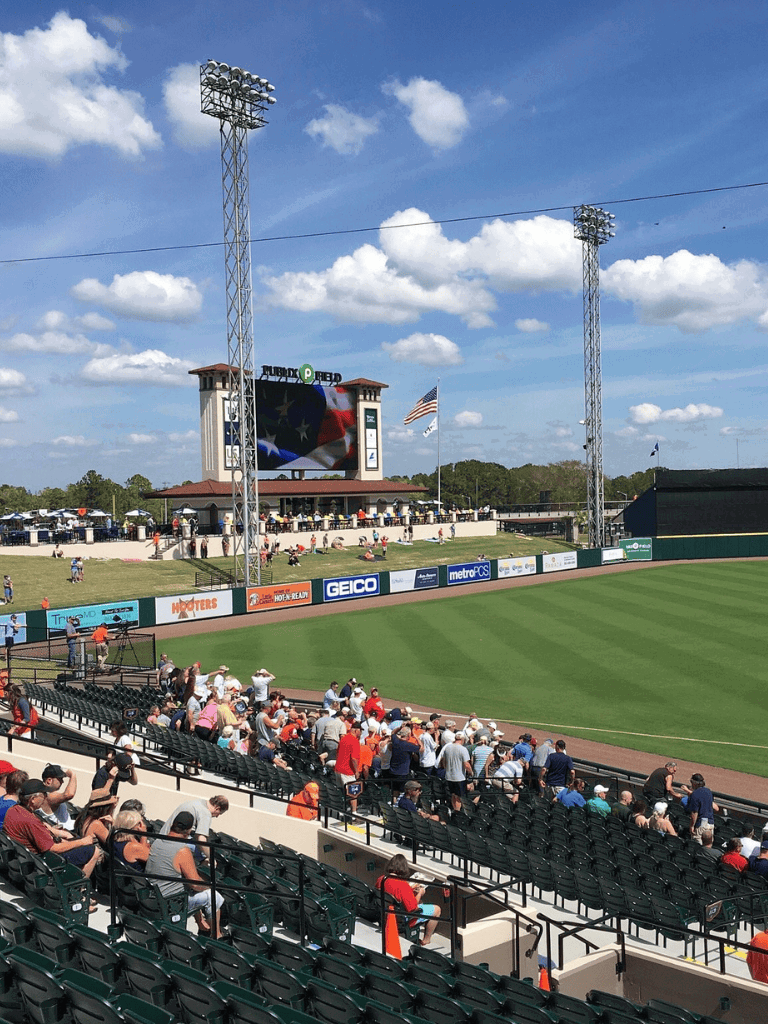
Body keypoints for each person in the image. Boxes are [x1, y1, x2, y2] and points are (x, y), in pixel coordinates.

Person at [3, 779, 102, 878]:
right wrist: (82, 842)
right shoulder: (30, 821)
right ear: (33, 799)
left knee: (73, 840)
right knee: (94, 851)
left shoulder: (13, 810)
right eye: (44, 794)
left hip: (29, 859)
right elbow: (53, 848)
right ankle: (80, 887)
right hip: (46, 863)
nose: (46, 797)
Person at [146, 811, 224, 935]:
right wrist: (209, 885)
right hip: (172, 901)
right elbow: (195, 885)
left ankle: (202, 924)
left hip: (153, 896)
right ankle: (217, 936)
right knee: (213, 896)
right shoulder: (182, 850)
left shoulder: (158, 842)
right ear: (188, 831)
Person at [376, 854, 441, 946]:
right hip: (401, 919)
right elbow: (413, 909)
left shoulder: (381, 879)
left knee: (422, 903)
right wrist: (420, 893)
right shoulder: (402, 885)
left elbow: (393, 893)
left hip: (384, 914)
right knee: (437, 909)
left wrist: (411, 889)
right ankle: (426, 939)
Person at [160, 796, 229, 861]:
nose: (217, 816)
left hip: (163, 837)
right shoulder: (205, 813)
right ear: (217, 808)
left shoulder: (197, 802)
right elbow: (201, 839)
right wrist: (211, 858)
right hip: (172, 843)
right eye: (219, 813)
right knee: (204, 855)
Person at [436, 732, 472, 812]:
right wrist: (471, 773)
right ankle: (458, 812)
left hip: (449, 776)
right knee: (459, 797)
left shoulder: (448, 748)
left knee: (453, 795)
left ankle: (455, 811)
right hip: (459, 777)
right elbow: (466, 764)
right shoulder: (463, 749)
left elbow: (443, 761)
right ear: (462, 740)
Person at [335, 721, 363, 813]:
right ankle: (354, 814)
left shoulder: (343, 738)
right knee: (353, 793)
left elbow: (338, 752)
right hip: (348, 771)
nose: (361, 733)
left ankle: (342, 810)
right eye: (360, 731)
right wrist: (356, 771)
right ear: (356, 730)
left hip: (338, 769)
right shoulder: (354, 741)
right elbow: (354, 759)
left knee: (341, 792)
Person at [687, 773, 716, 844]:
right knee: (708, 845)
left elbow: (694, 813)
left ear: (694, 783)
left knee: (699, 847)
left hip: (701, 824)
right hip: (710, 823)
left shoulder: (695, 794)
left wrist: (692, 826)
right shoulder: (708, 791)